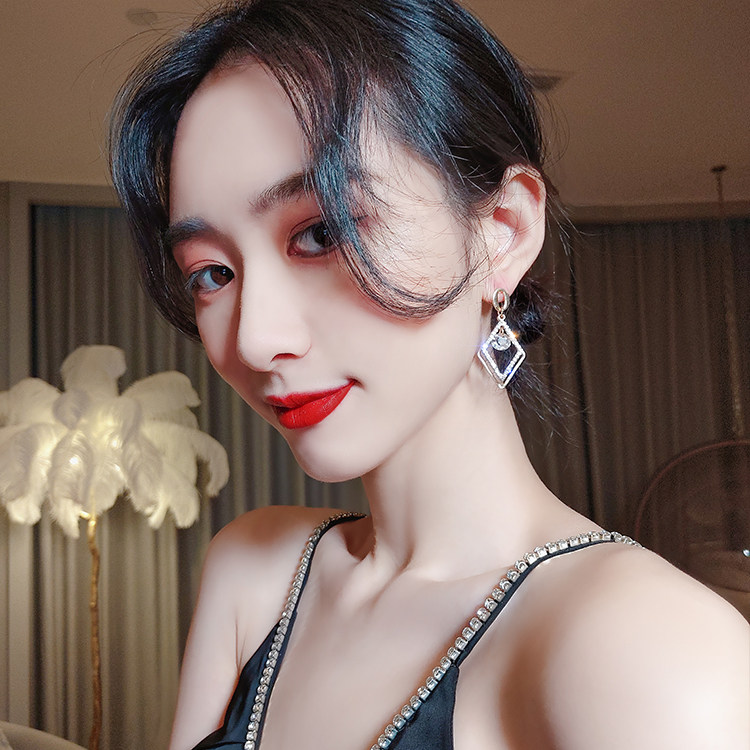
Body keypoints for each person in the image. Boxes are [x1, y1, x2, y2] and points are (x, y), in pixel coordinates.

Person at [109, 0, 750, 748]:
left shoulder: (652, 655)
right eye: (211, 273)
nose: (254, 339)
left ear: (502, 232)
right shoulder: (252, 571)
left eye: (321, 233)